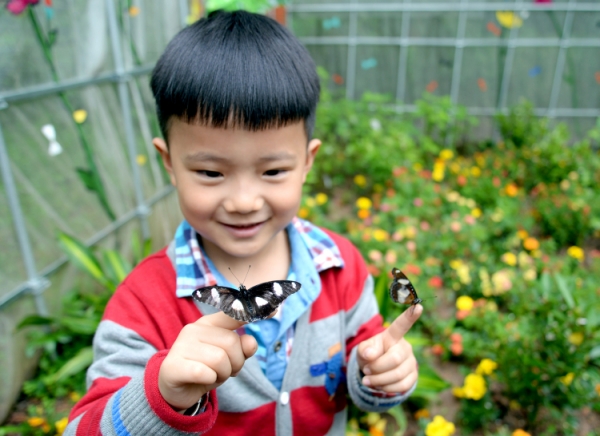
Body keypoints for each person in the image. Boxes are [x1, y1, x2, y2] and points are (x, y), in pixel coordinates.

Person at [65, 10, 422, 435]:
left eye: (273, 171)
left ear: (307, 162)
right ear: (170, 162)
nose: (243, 202)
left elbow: (362, 369)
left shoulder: (339, 267)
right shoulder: (145, 303)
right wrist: (160, 395)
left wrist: (379, 374)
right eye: (211, 173)